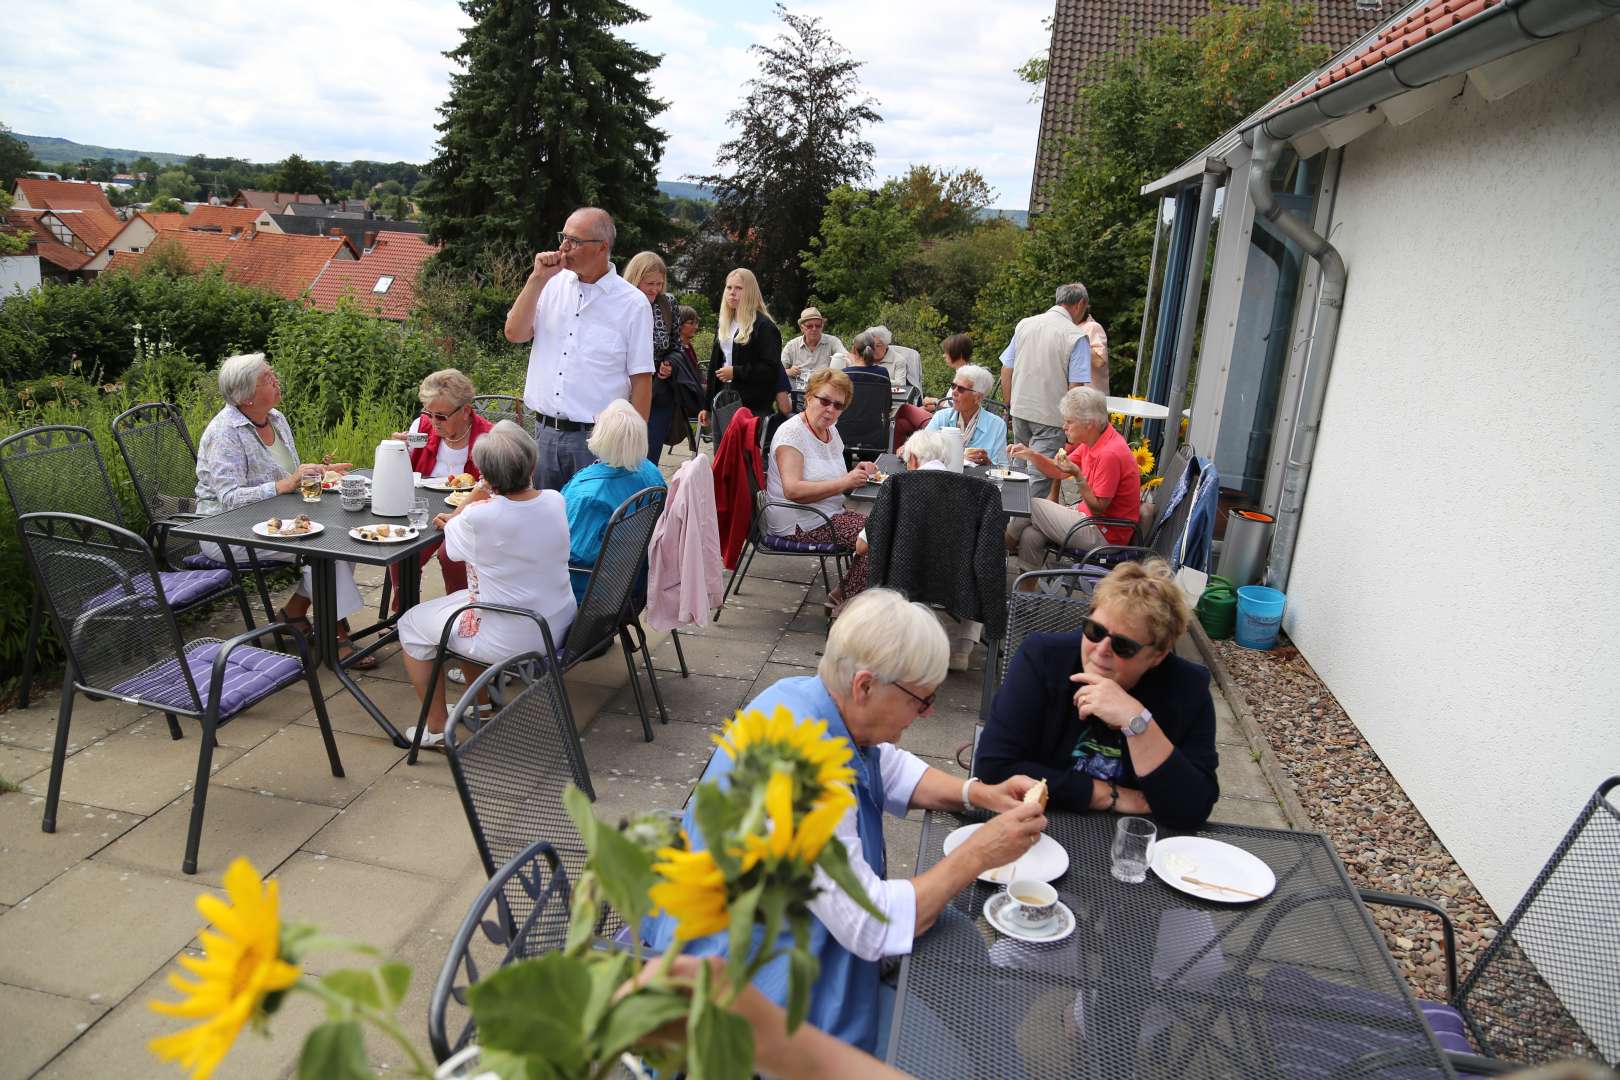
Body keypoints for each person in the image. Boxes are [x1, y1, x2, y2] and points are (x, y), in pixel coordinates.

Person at [646, 589, 1048, 1056]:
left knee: (962, 951)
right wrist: (979, 851)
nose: (927, 712)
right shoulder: (802, 778)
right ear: (864, 686)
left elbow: (886, 765)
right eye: (922, 699)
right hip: (747, 984)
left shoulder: (806, 697)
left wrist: (976, 793)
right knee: (950, 1041)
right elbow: (872, 925)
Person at [976, 559, 1219, 829]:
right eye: (1095, 631)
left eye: (1123, 645)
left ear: (1157, 656)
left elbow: (1193, 808)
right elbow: (992, 771)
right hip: (1039, 827)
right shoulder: (1044, 659)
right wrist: (1107, 795)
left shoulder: (1187, 688)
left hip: (1135, 841)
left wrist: (1137, 721)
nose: (1101, 649)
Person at [397, 421, 576, 748]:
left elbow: (449, 550)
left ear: (487, 475)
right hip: (555, 620)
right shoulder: (554, 500)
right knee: (465, 604)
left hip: (513, 634)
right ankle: (479, 704)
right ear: (532, 464)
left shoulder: (479, 518)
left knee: (411, 624)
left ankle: (435, 728)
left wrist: (476, 494)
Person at [193, 352, 375, 668]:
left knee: (346, 537)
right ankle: (334, 635)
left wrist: (319, 474)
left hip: (272, 520)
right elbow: (230, 499)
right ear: (246, 396)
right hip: (224, 530)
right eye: (267, 378)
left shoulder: (276, 419)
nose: (275, 380)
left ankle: (293, 613)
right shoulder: (225, 433)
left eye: (272, 373)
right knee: (325, 550)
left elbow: (287, 476)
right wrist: (287, 484)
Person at [504, 207, 654, 491]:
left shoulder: (632, 304)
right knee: (546, 526)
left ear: (602, 247)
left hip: (599, 441)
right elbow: (514, 333)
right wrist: (536, 279)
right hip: (544, 434)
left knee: (591, 528)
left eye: (574, 241)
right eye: (563, 237)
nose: (563, 247)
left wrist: (635, 448)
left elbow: (641, 380)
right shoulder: (549, 284)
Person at [388, 368, 492, 615]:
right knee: (400, 546)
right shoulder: (421, 428)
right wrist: (396, 452)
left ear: (466, 410)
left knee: (452, 554)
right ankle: (403, 613)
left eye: (442, 417)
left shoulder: (489, 437)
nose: (434, 423)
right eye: (429, 413)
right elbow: (403, 476)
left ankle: (461, 615)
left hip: (469, 516)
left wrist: (457, 516)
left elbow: (491, 488)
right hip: (425, 511)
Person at [1005, 386, 1140, 578]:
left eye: (1069, 421)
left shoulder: (1109, 453)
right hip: (1088, 520)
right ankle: (1024, 599)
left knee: (1032, 505)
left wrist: (1078, 476)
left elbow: (1099, 508)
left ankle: (1003, 545)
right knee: (1031, 535)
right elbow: (1058, 470)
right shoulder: (1094, 440)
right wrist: (1031, 455)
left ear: (1089, 424)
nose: (1064, 426)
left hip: (1104, 536)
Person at [560, 399, 666, 603]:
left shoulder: (589, 495)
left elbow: (574, 554)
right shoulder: (651, 472)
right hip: (636, 581)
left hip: (591, 596)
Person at [764, 369, 874, 559]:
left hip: (828, 514)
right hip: (800, 522)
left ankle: (846, 588)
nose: (830, 409)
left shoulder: (830, 430)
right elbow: (793, 491)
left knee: (887, 528)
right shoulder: (792, 434)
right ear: (808, 397)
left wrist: (855, 473)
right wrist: (845, 482)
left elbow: (828, 474)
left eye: (838, 405)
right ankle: (849, 588)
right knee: (879, 537)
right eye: (824, 401)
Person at [999, 283, 1097, 466]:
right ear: (1080, 304)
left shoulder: (1024, 325)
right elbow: (1075, 389)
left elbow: (1006, 368)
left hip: (1020, 409)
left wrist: (1009, 405)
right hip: (1051, 417)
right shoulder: (1075, 336)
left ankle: (1010, 496)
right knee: (1038, 477)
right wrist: (1071, 425)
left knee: (1018, 471)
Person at [623, 251, 696, 465]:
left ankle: (648, 497)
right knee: (622, 458)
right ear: (635, 279)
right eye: (649, 284)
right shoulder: (620, 304)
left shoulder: (667, 303)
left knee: (648, 459)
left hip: (659, 393)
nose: (655, 289)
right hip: (624, 394)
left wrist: (670, 364)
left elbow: (676, 345)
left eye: (659, 284)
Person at [703, 267, 789, 422]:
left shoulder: (765, 327)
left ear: (750, 291)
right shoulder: (725, 323)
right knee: (722, 446)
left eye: (738, 288)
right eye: (729, 287)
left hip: (752, 405)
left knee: (745, 447)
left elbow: (770, 370)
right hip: (722, 398)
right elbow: (714, 367)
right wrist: (707, 406)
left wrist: (736, 372)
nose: (732, 292)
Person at [840, 331, 931, 452]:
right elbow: (887, 405)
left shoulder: (844, 374)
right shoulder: (882, 373)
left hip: (845, 433)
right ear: (873, 350)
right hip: (876, 434)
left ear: (854, 351)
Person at [925, 363, 1008, 468]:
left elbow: (1003, 469)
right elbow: (922, 449)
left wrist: (988, 464)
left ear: (978, 397)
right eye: (953, 386)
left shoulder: (996, 425)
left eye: (961, 389)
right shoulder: (942, 417)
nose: (954, 392)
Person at [781, 306, 845, 390]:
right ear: (802, 328)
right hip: (798, 396)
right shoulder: (792, 346)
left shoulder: (833, 342)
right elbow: (778, 369)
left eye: (818, 326)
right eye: (809, 326)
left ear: (822, 326)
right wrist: (789, 371)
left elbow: (846, 357)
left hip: (825, 395)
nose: (814, 329)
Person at [922, 334, 974, 411]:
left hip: (950, 420)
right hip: (947, 414)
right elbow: (951, 403)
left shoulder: (965, 377)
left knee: (906, 411)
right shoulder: (966, 372)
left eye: (947, 352)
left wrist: (934, 401)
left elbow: (955, 409)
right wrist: (934, 404)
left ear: (959, 354)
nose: (944, 355)